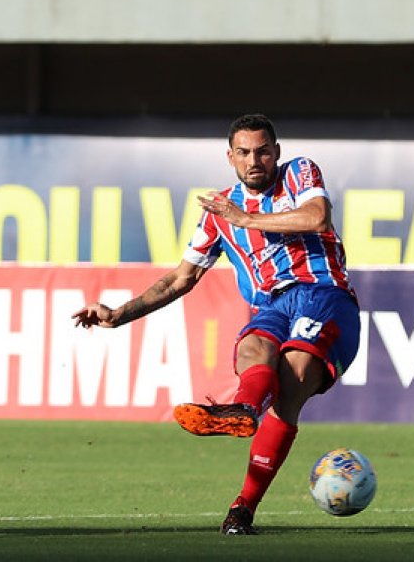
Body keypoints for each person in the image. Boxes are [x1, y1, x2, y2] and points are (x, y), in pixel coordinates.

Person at [72, 114, 360, 536]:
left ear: (276, 152)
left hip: (324, 295)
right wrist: (119, 314)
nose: (254, 160)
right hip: (272, 307)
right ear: (230, 157)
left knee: (292, 378)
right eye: (244, 153)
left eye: (263, 150)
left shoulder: (298, 173)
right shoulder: (217, 214)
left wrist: (244, 218)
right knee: (251, 351)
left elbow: (317, 217)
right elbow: (180, 279)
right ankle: (241, 412)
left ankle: (244, 501)